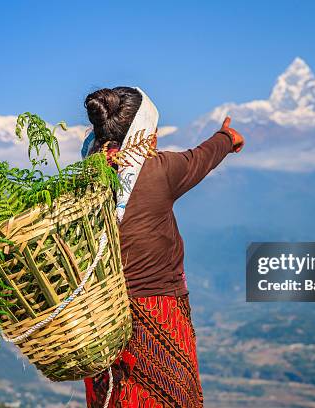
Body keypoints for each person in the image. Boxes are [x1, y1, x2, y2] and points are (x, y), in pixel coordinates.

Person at [81, 86, 244, 408]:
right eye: (154, 132)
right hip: (159, 312)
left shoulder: (85, 176)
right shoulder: (160, 171)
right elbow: (203, 156)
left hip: (101, 318)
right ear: (145, 135)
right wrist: (228, 137)